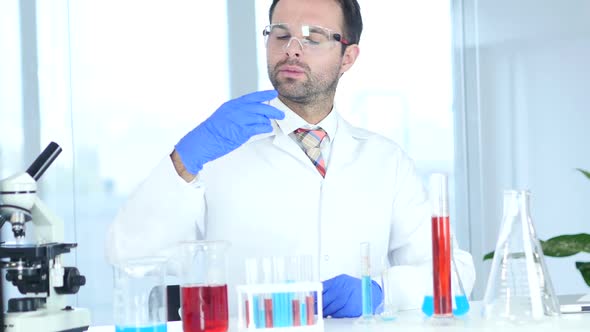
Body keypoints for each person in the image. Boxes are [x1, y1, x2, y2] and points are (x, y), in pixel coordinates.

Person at [106, 0, 475, 318]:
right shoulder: (217, 150)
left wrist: (380, 291)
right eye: (280, 35)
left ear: (348, 56)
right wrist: (184, 161)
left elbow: (455, 275)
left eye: (312, 38)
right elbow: (128, 255)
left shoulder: (385, 161)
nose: (292, 50)